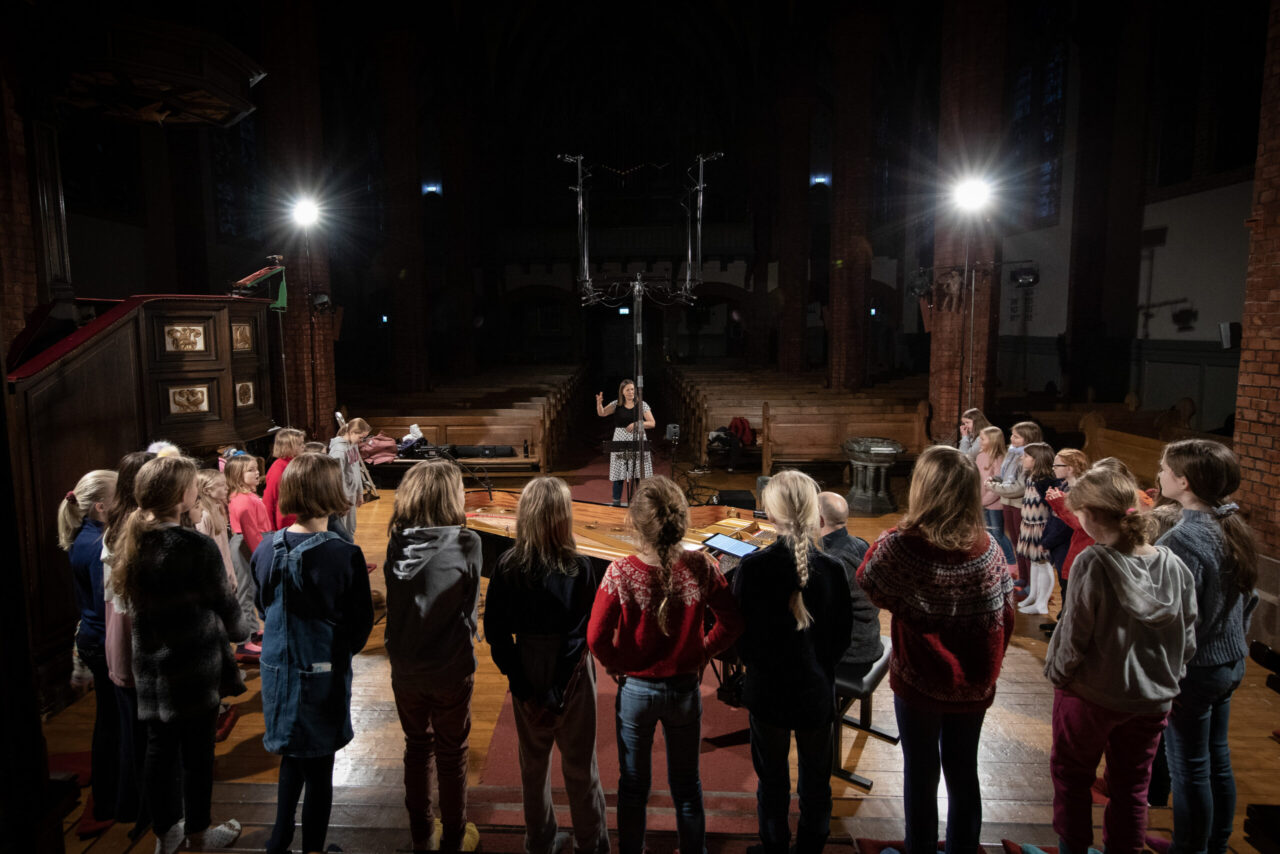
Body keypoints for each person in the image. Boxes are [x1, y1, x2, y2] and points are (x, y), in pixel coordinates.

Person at [858, 445, 1014, 854]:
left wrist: (897, 531)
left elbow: (869, 581)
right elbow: (1006, 617)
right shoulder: (990, 549)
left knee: (922, 773)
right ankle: (963, 848)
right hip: (974, 683)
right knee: (964, 773)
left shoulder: (902, 547)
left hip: (921, 679)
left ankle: (921, 848)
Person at [1044, 465, 1198, 854]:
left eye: (1078, 514)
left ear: (1092, 516)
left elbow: (1075, 632)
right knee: (1132, 788)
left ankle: (1074, 849)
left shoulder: (1094, 563)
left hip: (1093, 694)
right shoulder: (1173, 565)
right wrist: (1169, 677)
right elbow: (1189, 636)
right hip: (1152, 698)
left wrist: (1060, 675)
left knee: (1072, 778)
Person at [586, 475, 743, 854]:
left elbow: (595, 638)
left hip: (636, 692)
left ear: (636, 523)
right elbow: (733, 621)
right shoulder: (702, 566)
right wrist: (704, 651)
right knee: (687, 787)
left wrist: (615, 664)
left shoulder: (620, 572)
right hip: (685, 689)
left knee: (633, 785)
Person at [108, 456, 247, 853]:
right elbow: (224, 601)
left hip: (152, 662)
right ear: (181, 496)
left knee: (158, 748)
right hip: (194, 663)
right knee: (198, 753)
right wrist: (240, 631)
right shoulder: (194, 545)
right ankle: (199, 833)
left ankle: (166, 833)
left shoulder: (132, 539)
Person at [252, 453, 374, 854]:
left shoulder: (267, 547)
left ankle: (279, 837)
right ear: (331, 492)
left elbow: (261, 601)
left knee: (292, 753)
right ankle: (314, 850)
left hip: (276, 668)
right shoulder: (343, 554)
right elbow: (360, 626)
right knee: (320, 766)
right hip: (320, 671)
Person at [483, 477, 609, 854]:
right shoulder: (581, 566)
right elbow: (581, 633)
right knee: (579, 764)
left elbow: (496, 632)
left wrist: (523, 686)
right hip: (571, 669)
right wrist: (557, 688)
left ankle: (538, 840)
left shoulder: (507, 565)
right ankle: (591, 842)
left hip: (527, 660)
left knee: (533, 765)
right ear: (562, 517)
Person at [732, 473, 853, 854]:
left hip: (768, 689)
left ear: (771, 514)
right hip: (815, 691)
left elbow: (741, 638)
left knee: (772, 779)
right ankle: (812, 846)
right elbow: (841, 638)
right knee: (817, 780)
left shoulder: (752, 568)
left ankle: (774, 844)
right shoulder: (832, 570)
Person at [1156, 439, 1259, 854]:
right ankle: (1215, 845)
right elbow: (1247, 601)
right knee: (1217, 760)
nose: (1159, 473)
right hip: (1229, 661)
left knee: (1190, 770)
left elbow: (1174, 621)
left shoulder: (1180, 540)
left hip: (1196, 671)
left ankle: (1191, 849)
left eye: (1164, 468)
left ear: (1184, 481)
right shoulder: (1229, 524)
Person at [384, 459, 484, 854]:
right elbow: (471, 607)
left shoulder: (396, 541)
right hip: (450, 666)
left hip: (406, 665)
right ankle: (456, 837)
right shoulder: (467, 542)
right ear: (449, 497)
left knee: (416, 746)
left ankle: (422, 835)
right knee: (452, 752)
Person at [59, 469, 120, 833]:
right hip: (101, 640)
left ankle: (111, 785)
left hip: (94, 638)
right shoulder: (97, 545)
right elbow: (106, 606)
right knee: (112, 723)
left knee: (110, 720)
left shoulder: (87, 535)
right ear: (101, 506)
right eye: (120, 496)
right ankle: (110, 793)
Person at [101, 451, 155, 829]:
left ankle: (133, 807)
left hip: (119, 630)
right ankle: (155, 813)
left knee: (131, 729)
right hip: (138, 631)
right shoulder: (140, 529)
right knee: (149, 734)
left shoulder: (115, 523)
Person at [815, 491, 882, 673]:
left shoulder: (831, 559)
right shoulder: (861, 544)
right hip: (870, 638)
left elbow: (820, 614)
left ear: (819, 520)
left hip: (851, 654)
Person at [987, 420, 1042, 589]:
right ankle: (1023, 578)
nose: (1012, 439)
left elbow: (1020, 487)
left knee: (1024, 546)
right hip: (1008, 502)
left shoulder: (1029, 458)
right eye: (1012, 435)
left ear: (1028, 438)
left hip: (1020, 504)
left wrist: (994, 487)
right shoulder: (1012, 454)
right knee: (1016, 543)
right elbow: (1007, 477)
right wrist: (996, 479)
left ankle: (1031, 583)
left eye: (1017, 437)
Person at [226, 455, 272, 640]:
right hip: (246, 544)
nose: (257, 472)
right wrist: (262, 555)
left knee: (251, 589)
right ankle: (245, 637)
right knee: (246, 591)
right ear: (237, 475)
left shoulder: (247, 496)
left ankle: (252, 630)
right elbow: (250, 532)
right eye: (251, 470)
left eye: (256, 469)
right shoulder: (242, 500)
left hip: (255, 541)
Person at [1016, 441, 1062, 615]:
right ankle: (1033, 596)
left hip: (1040, 527)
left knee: (1044, 564)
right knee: (1035, 563)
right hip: (1029, 526)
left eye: (1027, 456)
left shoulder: (1045, 481)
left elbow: (1053, 507)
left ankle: (1042, 602)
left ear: (1037, 460)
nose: (1023, 458)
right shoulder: (1032, 477)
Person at [595, 379, 655, 506]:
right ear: (622, 391)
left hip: (637, 440)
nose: (630, 392)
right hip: (620, 440)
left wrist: (637, 424)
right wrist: (599, 403)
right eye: (627, 390)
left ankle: (641, 502)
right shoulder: (616, 404)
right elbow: (602, 413)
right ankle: (616, 502)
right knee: (620, 473)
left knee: (639, 472)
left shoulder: (641, 404)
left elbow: (652, 423)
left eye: (632, 389)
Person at [976, 426, 1018, 572]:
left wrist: (984, 501)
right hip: (981, 501)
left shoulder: (999, 458)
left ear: (993, 441)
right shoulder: (980, 455)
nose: (979, 441)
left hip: (994, 504)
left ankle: (1012, 562)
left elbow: (998, 486)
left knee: (998, 534)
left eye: (982, 439)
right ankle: (993, 560)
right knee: (987, 534)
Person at [329, 417, 371, 535]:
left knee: (350, 528)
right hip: (342, 497)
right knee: (341, 531)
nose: (361, 441)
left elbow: (356, 469)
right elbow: (336, 479)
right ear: (352, 432)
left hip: (351, 494)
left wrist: (359, 492)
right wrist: (341, 501)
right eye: (361, 437)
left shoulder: (353, 445)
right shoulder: (338, 452)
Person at [263, 427, 306, 529]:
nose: (304, 446)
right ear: (288, 447)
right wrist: (271, 531)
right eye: (299, 444)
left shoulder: (295, 463)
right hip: (287, 524)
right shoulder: (279, 469)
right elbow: (269, 502)